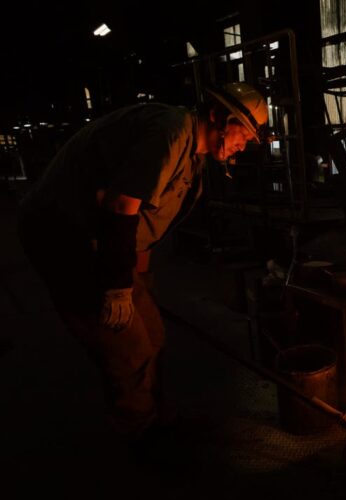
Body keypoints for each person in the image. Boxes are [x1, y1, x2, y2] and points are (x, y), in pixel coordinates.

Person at [17, 82, 268, 441]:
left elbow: (149, 225)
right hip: (64, 235)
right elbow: (121, 207)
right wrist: (119, 288)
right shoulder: (171, 130)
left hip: (106, 239)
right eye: (243, 131)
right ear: (216, 116)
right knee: (128, 348)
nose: (244, 144)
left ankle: (162, 419)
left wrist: (141, 285)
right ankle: (141, 434)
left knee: (153, 333)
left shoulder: (193, 162)